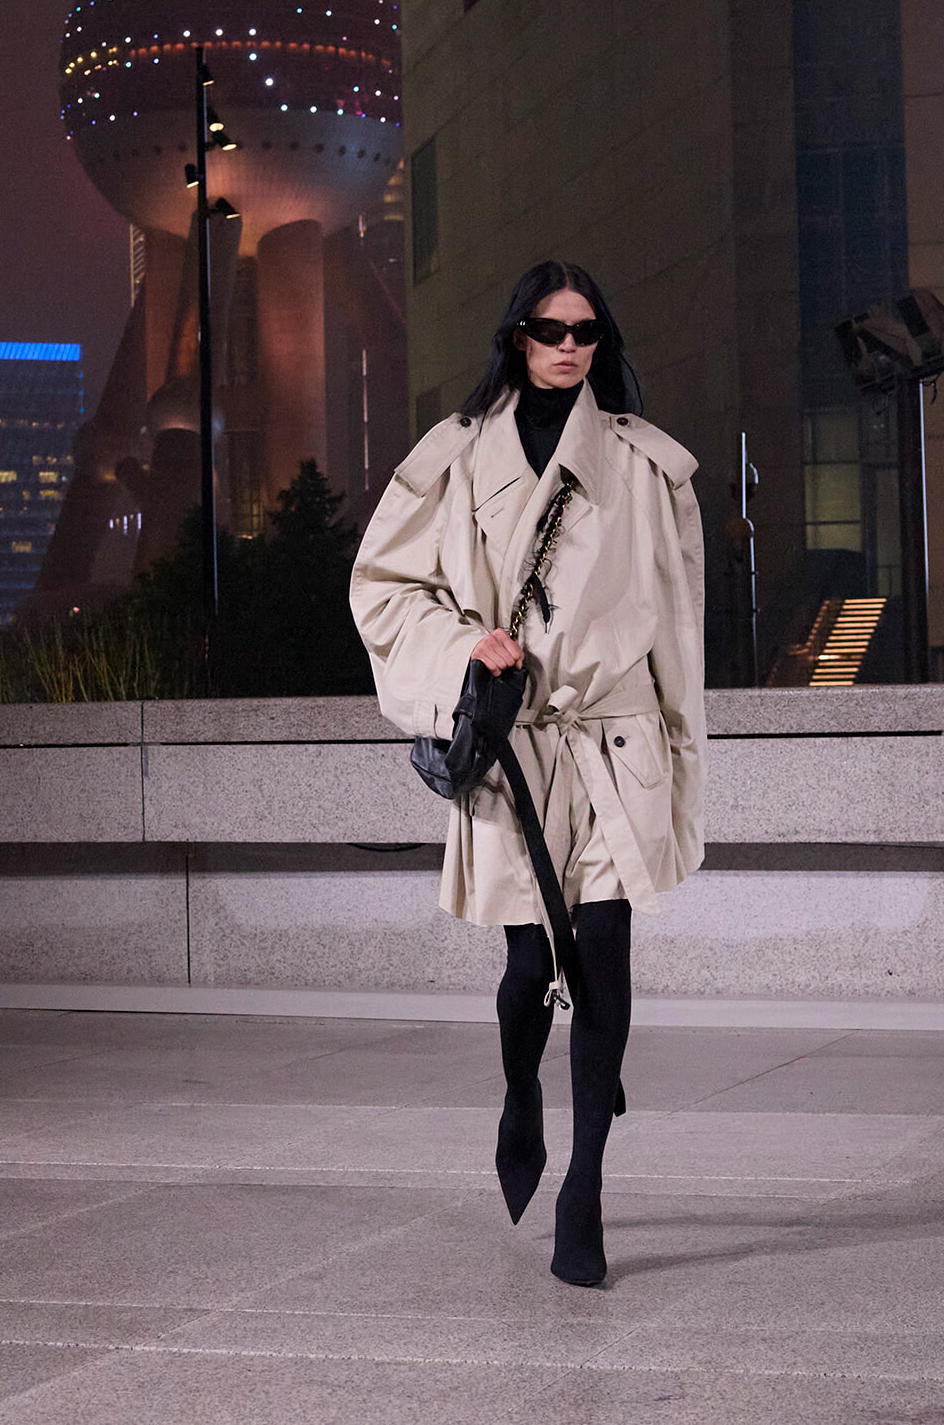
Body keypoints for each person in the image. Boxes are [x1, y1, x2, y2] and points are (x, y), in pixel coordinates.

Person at [349, 260, 706, 1285]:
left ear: (604, 342)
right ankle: (520, 1093)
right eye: (548, 328)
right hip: (514, 748)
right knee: (524, 977)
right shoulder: (455, 457)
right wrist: (466, 648)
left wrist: (684, 766)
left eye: (586, 331)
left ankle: (583, 1189)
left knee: (601, 955)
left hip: (616, 742)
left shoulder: (647, 469)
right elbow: (383, 587)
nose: (567, 346)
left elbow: (678, 638)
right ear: (515, 335)